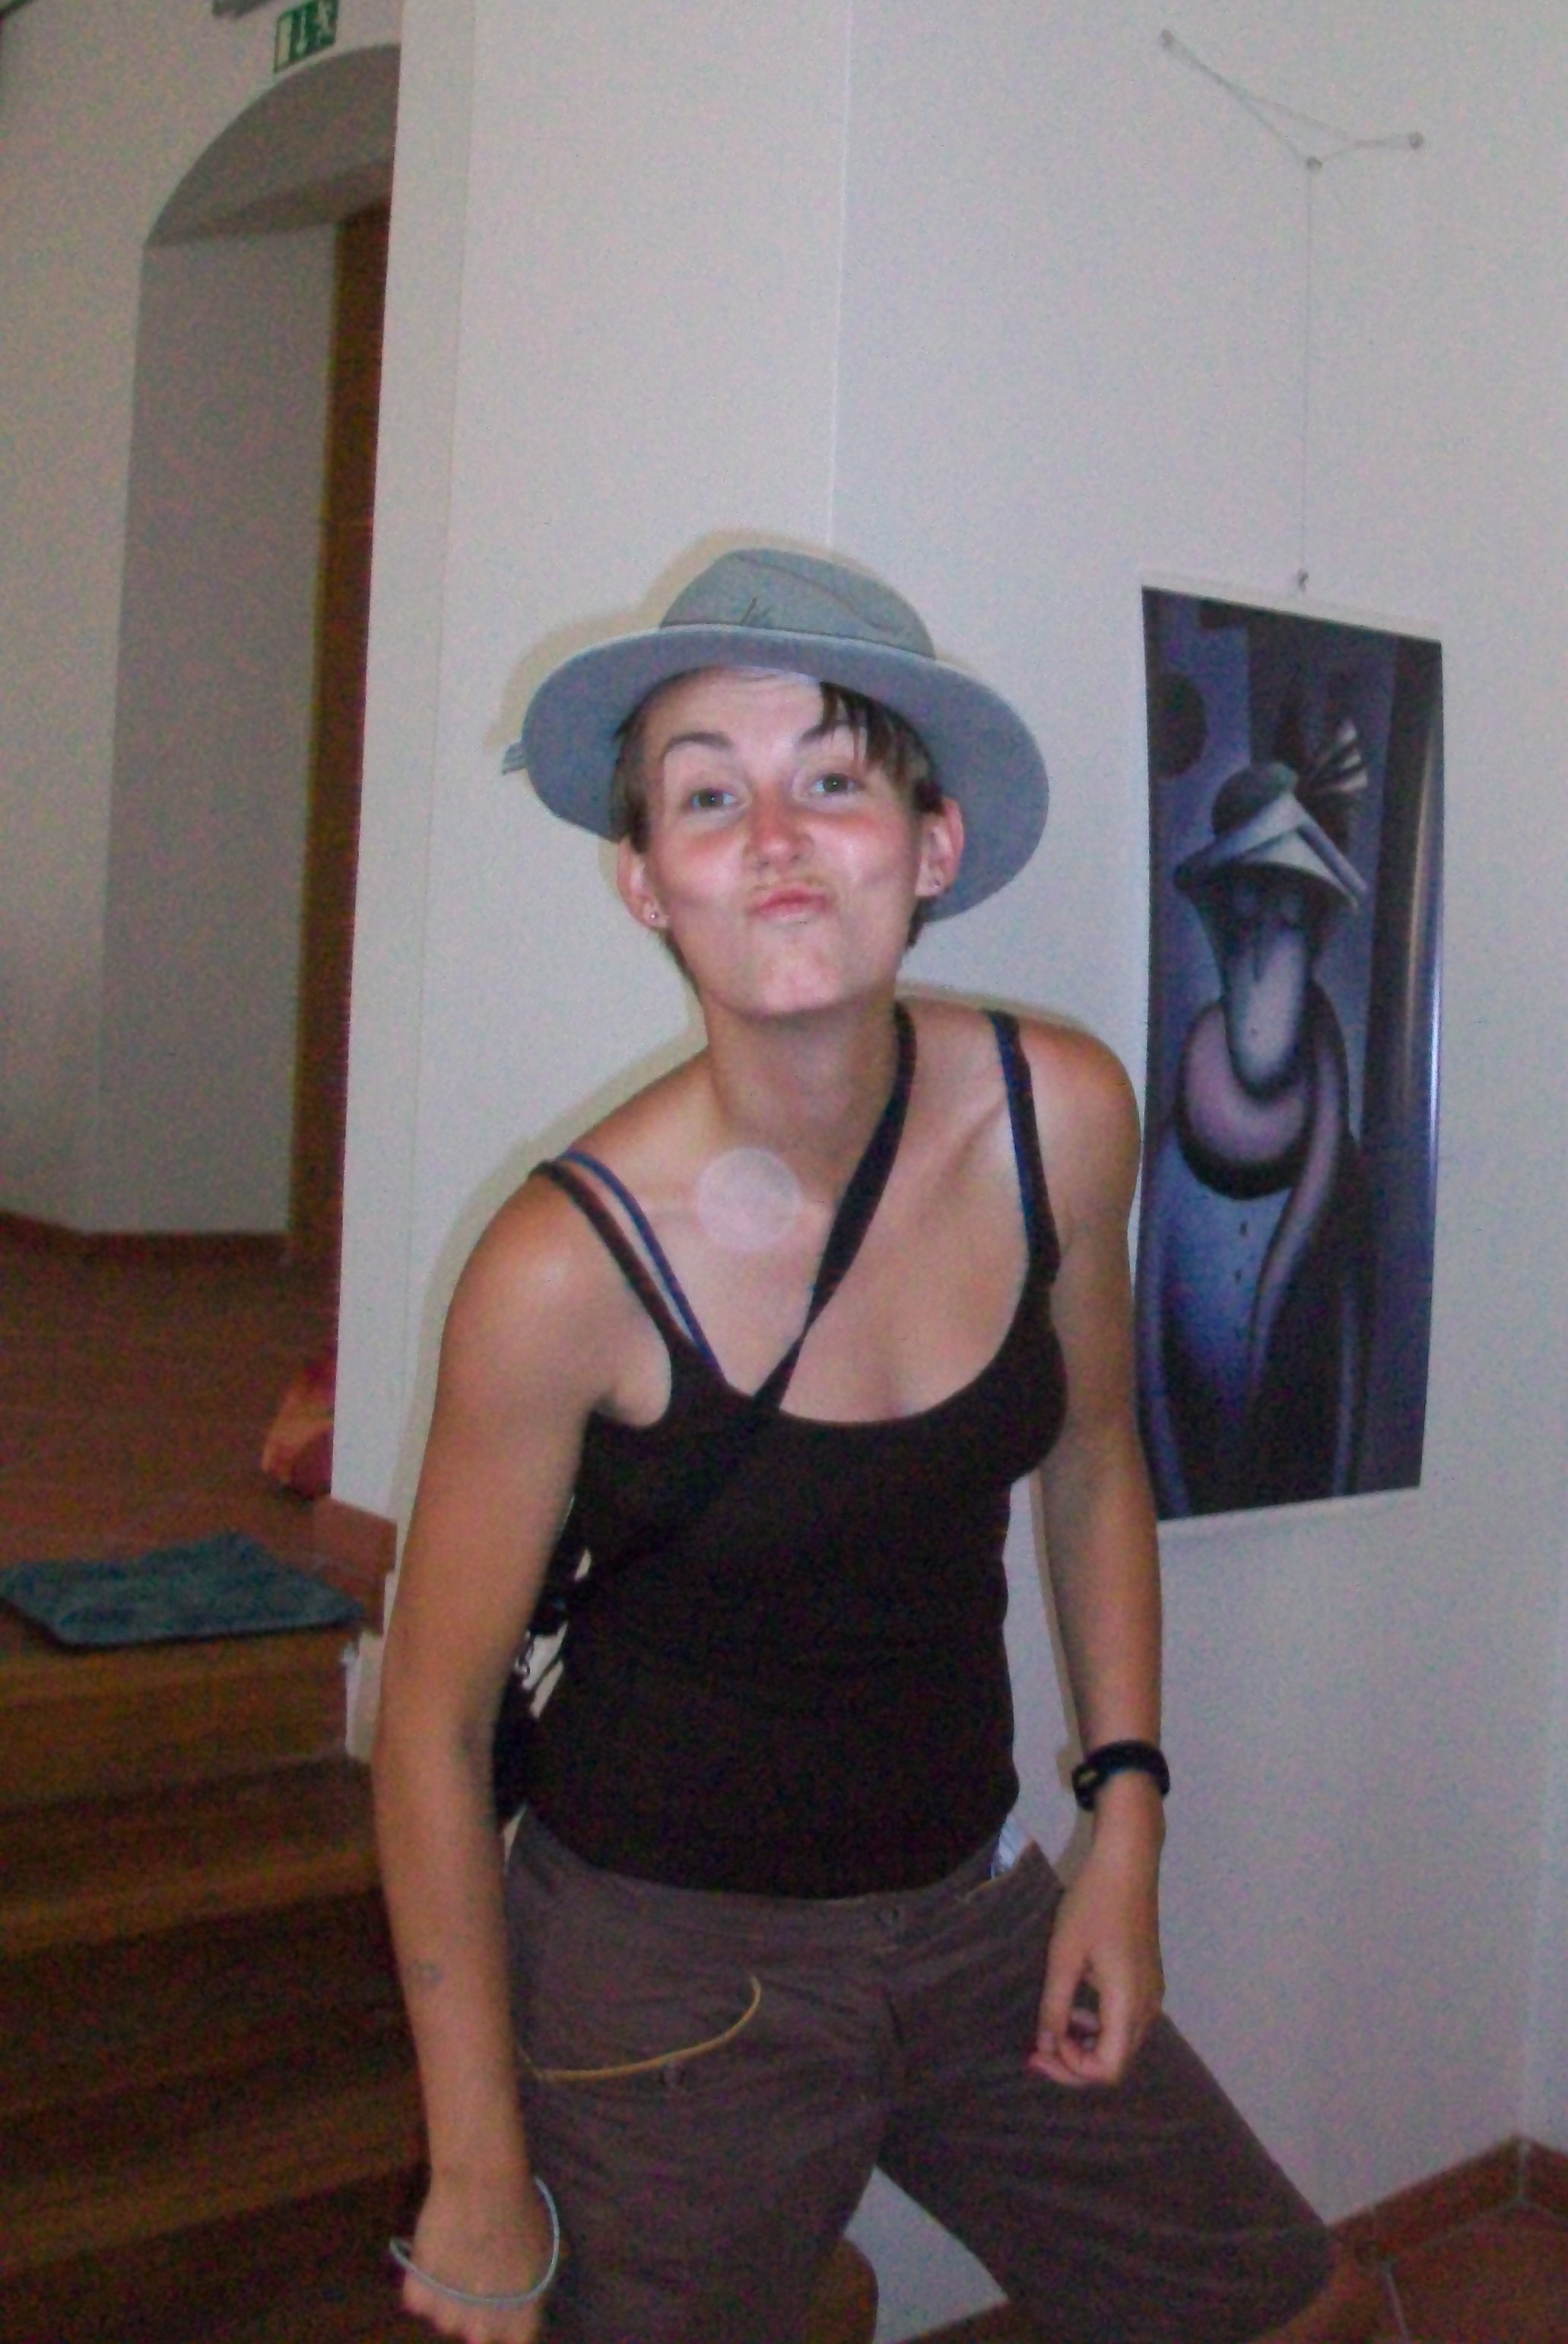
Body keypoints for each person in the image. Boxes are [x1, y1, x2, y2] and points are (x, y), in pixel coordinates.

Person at [373, 546, 1359, 2343]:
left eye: (830, 778)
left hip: (972, 1914)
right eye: (705, 796)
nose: (772, 839)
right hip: (660, 1977)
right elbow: (430, 1730)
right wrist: (475, 2166)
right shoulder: (558, 1270)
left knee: (1297, 2311)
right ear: (644, 879)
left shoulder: (1058, 1114)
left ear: (930, 844)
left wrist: (1122, 1822)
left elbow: (1090, 1457)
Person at [1137, 735, 1370, 1517]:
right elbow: (1145, 1357)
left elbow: (1350, 1368)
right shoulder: (1173, 1154)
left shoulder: (1340, 1174)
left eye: (1289, 921)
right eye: (1246, 918)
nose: (1266, 947)